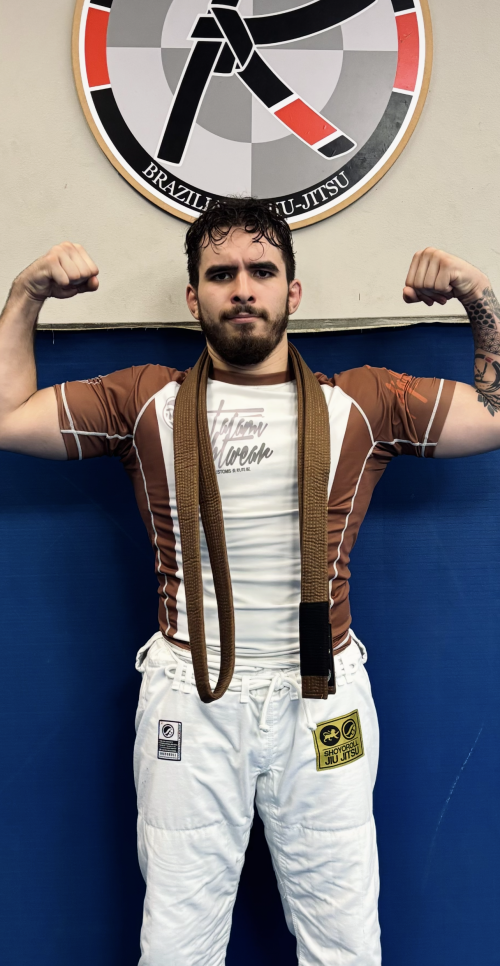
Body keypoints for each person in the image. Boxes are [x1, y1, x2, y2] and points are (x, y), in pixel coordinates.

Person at [0, 197, 499, 966]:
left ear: (292, 292)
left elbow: (495, 416)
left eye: (262, 271)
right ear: (192, 296)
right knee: (177, 945)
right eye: (221, 273)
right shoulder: (145, 400)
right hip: (190, 698)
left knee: (346, 945)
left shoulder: (361, 402)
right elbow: (7, 416)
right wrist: (25, 294)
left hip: (323, 698)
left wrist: (479, 296)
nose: (242, 288)